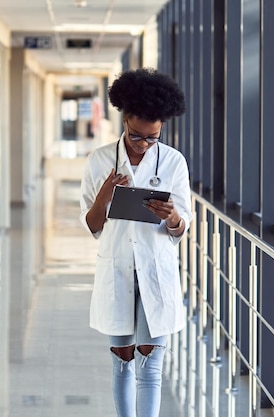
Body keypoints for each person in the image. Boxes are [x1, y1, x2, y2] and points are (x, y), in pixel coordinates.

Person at [79, 68, 192, 417]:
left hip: (156, 270)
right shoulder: (99, 160)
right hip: (117, 269)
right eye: (137, 136)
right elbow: (92, 224)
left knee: (151, 362)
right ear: (125, 119)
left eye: (152, 137)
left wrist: (171, 216)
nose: (144, 144)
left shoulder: (173, 161)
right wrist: (103, 197)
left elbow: (182, 225)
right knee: (123, 359)